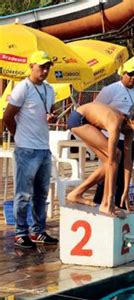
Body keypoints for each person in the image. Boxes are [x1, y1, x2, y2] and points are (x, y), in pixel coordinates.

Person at [3, 51, 59, 248]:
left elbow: (51, 112)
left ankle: (38, 231)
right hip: (26, 149)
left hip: (44, 147)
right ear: (31, 66)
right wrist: (18, 136)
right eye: (41, 67)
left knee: (41, 194)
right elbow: (8, 116)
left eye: (47, 67)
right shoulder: (22, 88)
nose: (44, 71)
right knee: (23, 194)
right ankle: (20, 232)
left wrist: (53, 118)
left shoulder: (49, 89)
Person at [66, 102, 134, 217]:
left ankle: (76, 194)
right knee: (115, 156)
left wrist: (125, 190)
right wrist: (111, 197)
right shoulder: (116, 123)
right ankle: (106, 204)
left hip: (89, 121)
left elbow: (128, 161)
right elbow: (113, 162)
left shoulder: (129, 131)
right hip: (79, 119)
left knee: (110, 161)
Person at [92, 63, 134, 208]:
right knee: (109, 170)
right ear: (122, 74)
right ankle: (99, 202)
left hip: (129, 136)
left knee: (124, 172)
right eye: (130, 74)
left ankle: (120, 202)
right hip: (111, 136)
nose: (133, 78)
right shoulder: (111, 90)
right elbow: (96, 108)